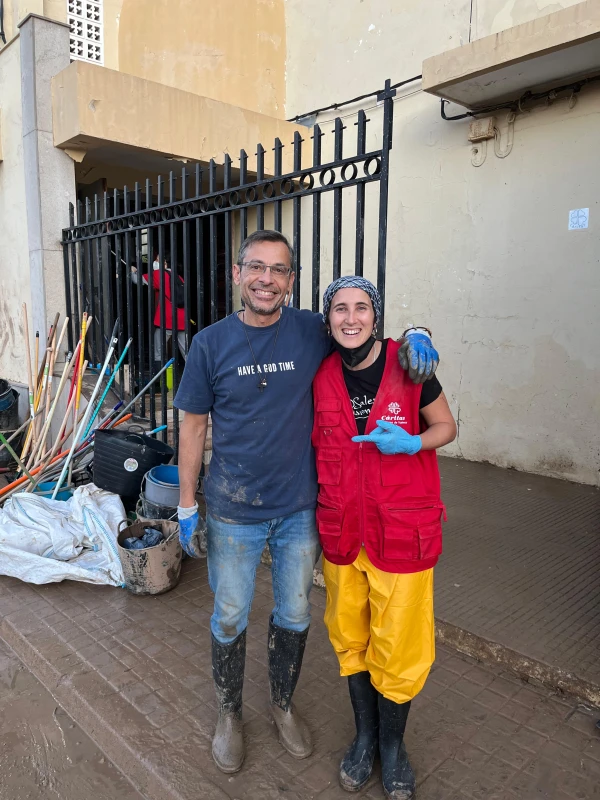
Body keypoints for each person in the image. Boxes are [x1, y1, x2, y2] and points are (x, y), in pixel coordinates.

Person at [173, 230, 441, 775]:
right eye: (255, 267)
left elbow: (361, 333)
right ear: (237, 274)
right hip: (231, 507)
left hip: (300, 510)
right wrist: (185, 502)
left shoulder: (308, 332)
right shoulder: (209, 344)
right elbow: (193, 426)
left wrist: (417, 333)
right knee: (229, 613)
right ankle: (229, 713)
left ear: (291, 281)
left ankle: (282, 705)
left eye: (278, 270)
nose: (266, 279)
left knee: (295, 614)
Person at [312, 276, 456, 799]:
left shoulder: (410, 363)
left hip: (402, 533)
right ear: (328, 320)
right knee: (350, 639)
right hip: (343, 531)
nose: (350, 319)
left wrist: (414, 441)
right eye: (340, 310)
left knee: (399, 648)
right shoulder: (321, 372)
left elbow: (447, 427)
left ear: (376, 316)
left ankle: (394, 749)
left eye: (361, 308)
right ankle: (366, 737)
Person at [131, 252, 187, 366]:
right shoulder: (179, 277)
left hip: (166, 320)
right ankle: (195, 379)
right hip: (182, 319)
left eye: (158, 260)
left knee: (158, 353)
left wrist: (132, 272)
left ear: (165, 263)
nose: (155, 262)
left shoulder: (159, 274)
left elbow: (137, 280)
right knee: (187, 353)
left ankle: (161, 380)